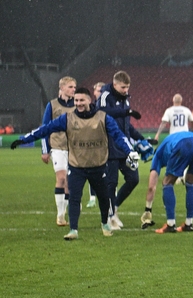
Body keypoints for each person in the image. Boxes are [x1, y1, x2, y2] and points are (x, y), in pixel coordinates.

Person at [11, 88, 138, 240]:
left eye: (81, 100)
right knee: (74, 197)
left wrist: (129, 151)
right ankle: (73, 230)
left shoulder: (103, 118)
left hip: (98, 166)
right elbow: (45, 129)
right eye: (76, 100)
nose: (78, 103)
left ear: (89, 100)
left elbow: (118, 135)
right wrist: (24, 140)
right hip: (76, 166)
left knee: (104, 198)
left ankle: (105, 224)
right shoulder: (67, 118)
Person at [97, 71, 149, 230]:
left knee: (133, 179)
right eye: (123, 87)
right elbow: (102, 113)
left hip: (125, 147)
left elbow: (126, 126)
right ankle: (109, 218)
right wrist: (127, 111)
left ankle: (115, 208)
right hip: (109, 145)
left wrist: (141, 138)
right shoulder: (105, 95)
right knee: (111, 183)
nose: (126, 90)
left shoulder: (125, 99)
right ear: (115, 84)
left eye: (127, 87)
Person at [141, 131, 193, 233]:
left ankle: (170, 224)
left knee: (167, 183)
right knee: (190, 182)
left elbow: (151, 187)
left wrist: (148, 210)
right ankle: (188, 224)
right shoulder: (167, 144)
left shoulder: (157, 156)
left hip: (183, 144)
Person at [41, 76, 76, 226]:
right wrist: (45, 150)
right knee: (61, 179)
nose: (73, 90)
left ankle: (64, 214)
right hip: (58, 147)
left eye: (74, 87)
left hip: (74, 149)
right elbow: (44, 128)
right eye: (70, 87)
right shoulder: (52, 105)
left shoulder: (78, 104)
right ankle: (60, 215)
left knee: (69, 182)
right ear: (61, 88)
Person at [85, 81, 106, 208]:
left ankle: (106, 196)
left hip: (104, 143)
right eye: (98, 90)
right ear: (94, 92)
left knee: (106, 171)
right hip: (92, 142)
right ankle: (92, 197)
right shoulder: (91, 107)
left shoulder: (106, 106)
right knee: (92, 169)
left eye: (102, 91)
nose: (100, 93)